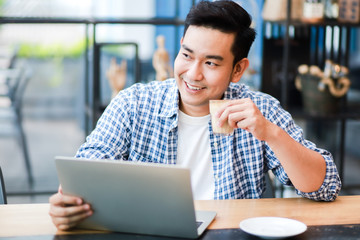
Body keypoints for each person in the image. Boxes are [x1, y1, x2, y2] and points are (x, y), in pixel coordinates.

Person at [49, 0, 341, 231]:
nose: (192, 74)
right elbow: (85, 169)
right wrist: (68, 202)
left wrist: (272, 134)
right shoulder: (133, 104)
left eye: (211, 63)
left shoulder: (259, 110)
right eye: (186, 55)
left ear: (238, 69)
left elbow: (326, 187)